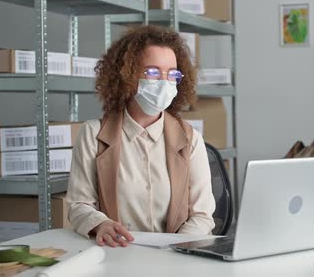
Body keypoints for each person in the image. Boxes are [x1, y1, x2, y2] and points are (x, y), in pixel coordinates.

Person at [66, 25, 216, 247]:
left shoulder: (190, 139)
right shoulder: (93, 134)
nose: (164, 82)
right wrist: (100, 223)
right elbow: (79, 204)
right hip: (118, 254)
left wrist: (175, 249)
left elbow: (202, 216)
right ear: (126, 75)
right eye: (153, 72)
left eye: (172, 74)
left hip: (176, 259)